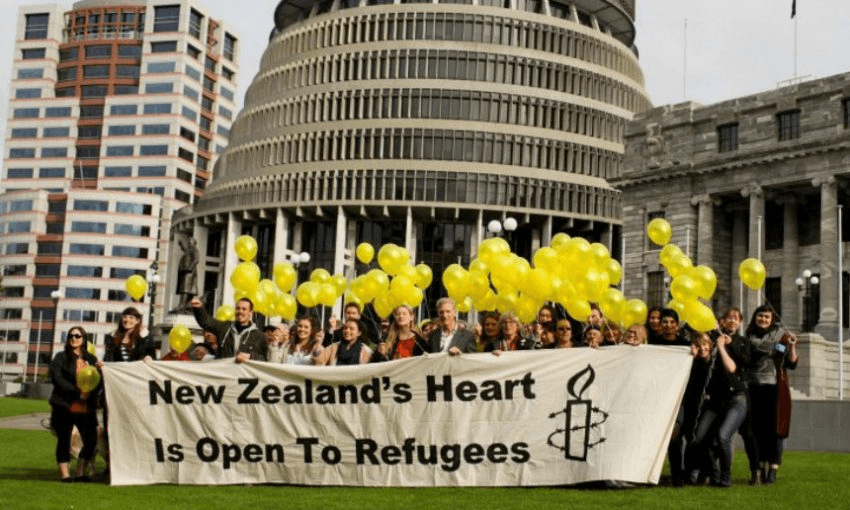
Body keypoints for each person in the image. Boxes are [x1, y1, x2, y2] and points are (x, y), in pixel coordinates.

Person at [688, 327, 750, 487]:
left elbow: (732, 368)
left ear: (711, 345)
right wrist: (691, 358)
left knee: (723, 437)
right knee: (699, 438)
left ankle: (725, 476)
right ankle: (714, 474)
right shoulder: (698, 363)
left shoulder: (719, 356)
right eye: (698, 345)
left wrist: (721, 347)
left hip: (736, 400)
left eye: (705, 345)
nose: (702, 348)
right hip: (715, 403)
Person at [744, 304, 798, 485]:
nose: (763, 319)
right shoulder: (749, 336)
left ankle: (773, 469)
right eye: (760, 316)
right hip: (753, 387)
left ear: (772, 320)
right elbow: (746, 357)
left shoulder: (781, 336)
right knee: (757, 430)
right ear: (755, 317)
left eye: (767, 317)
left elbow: (791, 362)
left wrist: (791, 346)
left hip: (774, 388)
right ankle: (760, 466)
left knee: (775, 430)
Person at [48, 326, 101, 482]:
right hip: (64, 405)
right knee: (64, 440)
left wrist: (90, 391)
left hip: (86, 407)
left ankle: (80, 472)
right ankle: (65, 475)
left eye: (77, 336)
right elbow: (57, 378)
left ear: (83, 339)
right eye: (71, 336)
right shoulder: (60, 357)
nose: (73, 338)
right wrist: (78, 392)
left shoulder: (91, 359)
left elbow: (98, 380)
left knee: (91, 440)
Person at [190, 297, 268, 362]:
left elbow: (264, 359)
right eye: (238, 308)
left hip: (243, 374)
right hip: (224, 373)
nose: (240, 311)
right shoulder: (224, 328)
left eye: (244, 309)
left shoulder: (259, 336)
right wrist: (198, 309)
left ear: (251, 313)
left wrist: (250, 356)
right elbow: (207, 322)